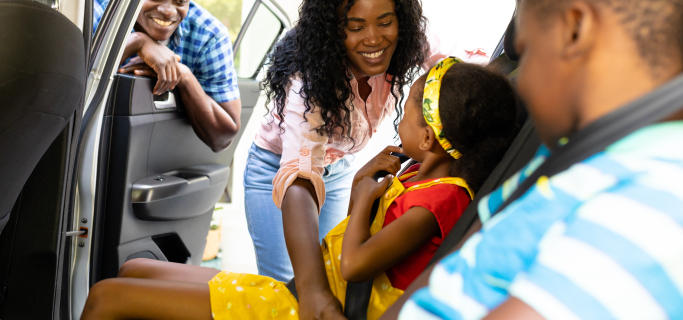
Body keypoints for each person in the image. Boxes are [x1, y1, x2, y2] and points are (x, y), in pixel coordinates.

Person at [79, 59, 520, 320]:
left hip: (307, 307)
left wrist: (366, 195)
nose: (398, 118)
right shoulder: (416, 174)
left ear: (428, 138)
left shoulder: (440, 199)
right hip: (305, 291)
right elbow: (359, 235)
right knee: (137, 270)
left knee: (104, 297)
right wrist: (364, 183)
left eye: (405, 112)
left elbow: (355, 266)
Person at [377, 0, 683, 319]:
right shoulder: (561, 160)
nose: (521, 82)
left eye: (526, 52)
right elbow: (462, 259)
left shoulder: (663, 216)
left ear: (574, 29)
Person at [244, 0, 489, 317]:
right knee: (286, 297)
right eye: (355, 27)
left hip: (342, 165)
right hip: (279, 175)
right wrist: (312, 290)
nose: (374, 39)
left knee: (335, 281)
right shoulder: (310, 83)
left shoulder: (410, 38)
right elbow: (300, 173)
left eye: (385, 23)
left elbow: (458, 76)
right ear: (331, 31)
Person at [93, 0, 241, 151]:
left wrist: (183, 76)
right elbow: (72, 90)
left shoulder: (209, 35)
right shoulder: (93, 12)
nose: (168, 12)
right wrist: (136, 42)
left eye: (180, 1)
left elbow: (223, 138)